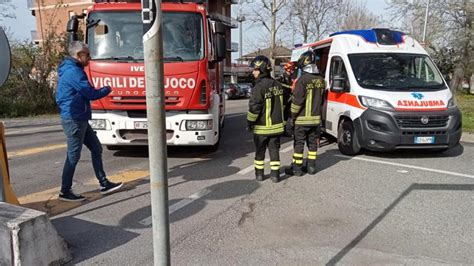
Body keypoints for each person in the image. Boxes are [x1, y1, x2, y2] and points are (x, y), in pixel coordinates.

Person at [56, 41, 123, 202]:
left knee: (96, 148)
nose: (90, 57)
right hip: (74, 119)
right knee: (73, 155)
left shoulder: (73, 69)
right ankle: (65, 191)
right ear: (79, 55)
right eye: (87, 54)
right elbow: (90, 93)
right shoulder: (74, 72)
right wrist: (107, 89)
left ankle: (104, 183)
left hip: (80, 118)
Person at [285, 50, 325, 176]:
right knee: (313, 144)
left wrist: (292, 116)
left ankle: (296, 168)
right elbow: (322, 100)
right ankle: (311, 167)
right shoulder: (321, 80)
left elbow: (297, 102)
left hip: (302, 120)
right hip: (315, 120)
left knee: (299, 144)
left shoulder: (302, 80)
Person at [246, 55, 285, 183]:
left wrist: (250, 123)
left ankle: (259, 175)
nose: (253, 72)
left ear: (262, 70)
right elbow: (284, 103)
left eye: (255, 70)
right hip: (276, 128)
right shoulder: (278, 85)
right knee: (274, 152)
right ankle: (275, 175)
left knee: (259, 153)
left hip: (261, 128)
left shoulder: (259, 87)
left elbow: (254, 108)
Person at [280, 61, 296, 136]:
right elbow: (281, 85)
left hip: (291, 97)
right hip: (285, 97)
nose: (293, 70)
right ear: (287, 69)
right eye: (291, 68)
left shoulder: (293, 76)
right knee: (284, 114)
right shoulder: (282, 76)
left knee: (290, 113)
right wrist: (289, 87)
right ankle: (283, 129)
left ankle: (291, 128)